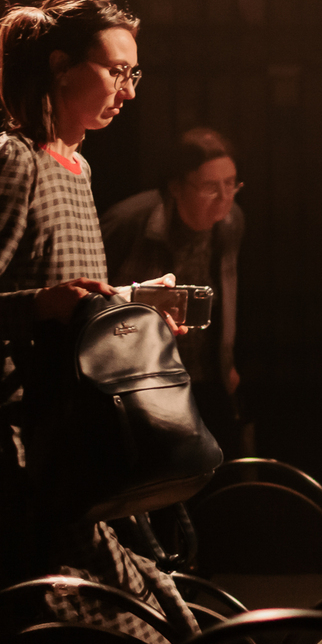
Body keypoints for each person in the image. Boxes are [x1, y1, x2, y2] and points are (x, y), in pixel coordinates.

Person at [0, 0, 198, 644]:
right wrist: (45, 304)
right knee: (26, 641)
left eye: (134, 74)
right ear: (62, 68)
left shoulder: (77, 168)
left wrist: (130, 305)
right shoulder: (7, 163)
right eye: (116, 71)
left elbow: (66, 298)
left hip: (62, 437)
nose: (128, 90)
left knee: (132, 631)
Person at [101, 127, 248, 458]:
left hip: (205, 375)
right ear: (176, 187)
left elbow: (227, 298)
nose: (224, 197)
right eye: (210, 187)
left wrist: (227, 363)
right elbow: (96, 298)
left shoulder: (230, 222)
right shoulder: (130, 223)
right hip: (140, 381)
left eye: (231, 184)